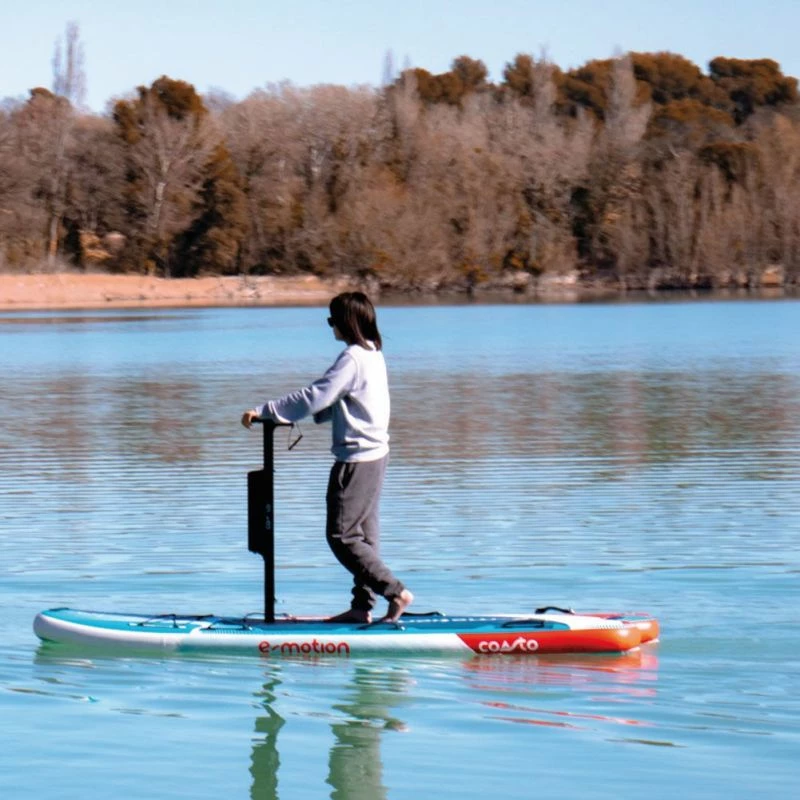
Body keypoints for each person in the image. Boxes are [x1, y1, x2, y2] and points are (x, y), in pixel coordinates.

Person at [241, 292, 413, 624]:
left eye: (332, 319)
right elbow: (342, 402)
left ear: (346, 321)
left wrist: (265, 411)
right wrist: (298, 415)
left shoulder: (352, 358)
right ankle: (362, 608)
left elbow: (316, 394)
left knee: (341, 535)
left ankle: (395, 591)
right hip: (376, 456)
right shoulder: (373, 354)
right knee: (364, 536)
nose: (330, 325)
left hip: (357, 460)